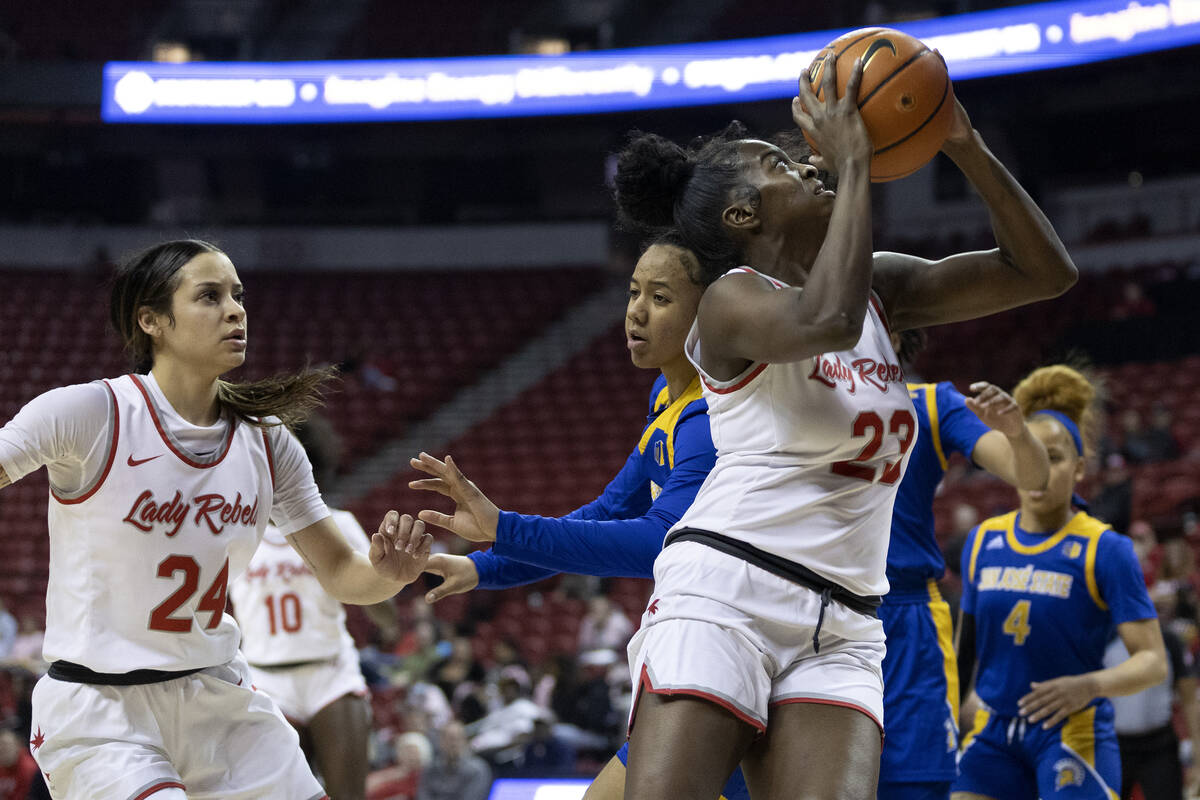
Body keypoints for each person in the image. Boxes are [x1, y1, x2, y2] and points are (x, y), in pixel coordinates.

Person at [611, 54, 1077, 799]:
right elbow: (824, 320)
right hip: (728, 594)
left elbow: (1043, 273)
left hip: (848, 617)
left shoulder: (881, 289)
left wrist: (961, 143)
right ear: (742, 216)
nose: (805, 163)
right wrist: (858, 160)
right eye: (777, 165)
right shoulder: (730, 300)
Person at [0, 239, 432, 800]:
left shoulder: (269, 440)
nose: (235, 310)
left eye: (237, 295)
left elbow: (343, 572)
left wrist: (390, 573)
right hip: (102, 709)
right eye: (209, 296)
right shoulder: (89, 413)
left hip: (219, 699)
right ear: (151, 320)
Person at [409, 237, 751, 800]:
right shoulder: (666, 395)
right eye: (634, 292)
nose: (636, 311)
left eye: (660, 297)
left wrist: (505, 529)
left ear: (708, 312)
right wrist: (484, 569)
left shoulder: (709, 415)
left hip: (733, 644)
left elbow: (661, 541)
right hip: (696, 641)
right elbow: (610, 510)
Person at [954, 365, 1168, 800]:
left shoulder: (1104, 548)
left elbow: (1153, 661)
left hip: (1072, 733)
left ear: (1080, 468)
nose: (1042, 470)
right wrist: (957, 705)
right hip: (993, 732)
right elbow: (966, 650)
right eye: (1032, 454)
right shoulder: (983, 540)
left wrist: (1089, 685)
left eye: (1054, 457)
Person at [880, 330, 1051, 800]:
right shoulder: (799, 394)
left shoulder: (933, 403)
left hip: (906, 611)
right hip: (817, 606)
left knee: (914, 783)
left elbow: (1033, 475)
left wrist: (1016, 431)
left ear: (891, 334)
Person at [229, 415, 400, 800]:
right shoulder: (236, 530)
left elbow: (380, 604)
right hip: (265, 679)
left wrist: (384, 595)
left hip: (331, 674)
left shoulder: (338, 524)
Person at [1104, 582, 1200, 800]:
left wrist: (1197, 755)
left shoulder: (1170, 641)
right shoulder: (1104, 639)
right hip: (1113, 746)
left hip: (1159, 746)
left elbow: (1189, 700)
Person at [416, 721, 491, 800]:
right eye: (449, 738)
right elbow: (423, 795)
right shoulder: (430, 767)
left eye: (457, 739)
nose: (453, 743)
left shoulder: (478, 770)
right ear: (440, 741)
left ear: (464, 741)